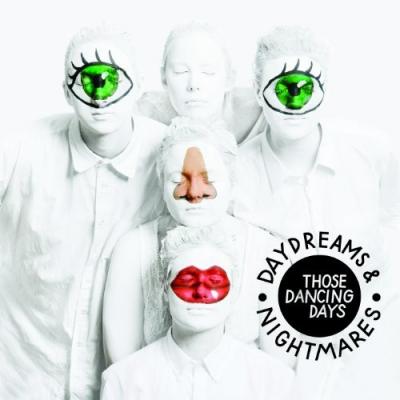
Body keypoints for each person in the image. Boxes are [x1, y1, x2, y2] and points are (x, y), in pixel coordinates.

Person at [232, 25, 400, 400]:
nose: (295, 103)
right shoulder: (235, 175)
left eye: (306, 87)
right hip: (282, 360)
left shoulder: (371, 151)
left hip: (372, 350)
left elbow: (394, 215)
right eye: (282, 88)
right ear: (258, 90)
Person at [0, 24, 166, 399]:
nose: (98, 95)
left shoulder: (168, 156)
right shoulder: (22, 150)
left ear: (138, 86)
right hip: (21, 379)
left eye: (112, 79)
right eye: (86, 80)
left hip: (122, 385)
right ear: (66, 92)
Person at [102, 118, 279, 364]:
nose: (194, 193)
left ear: (232, 182)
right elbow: (122, 365)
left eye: (210, 180)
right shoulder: (133, 250)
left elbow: (278, 369)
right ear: (161, 184)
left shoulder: (268, 253)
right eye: (177, 181)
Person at [101, 225, 294, 400]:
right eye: (186, 281)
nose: (201, 292)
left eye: (215, 282)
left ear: (234, 292)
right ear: (165, 289)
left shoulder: (275, 382)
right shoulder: (122, 381)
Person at [137, 21, 262, 144]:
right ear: (164, 78)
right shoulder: (144, 117)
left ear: (230, 79)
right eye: (181, 71)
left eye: (208, 72)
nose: (193, 84)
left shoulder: (261, 110)